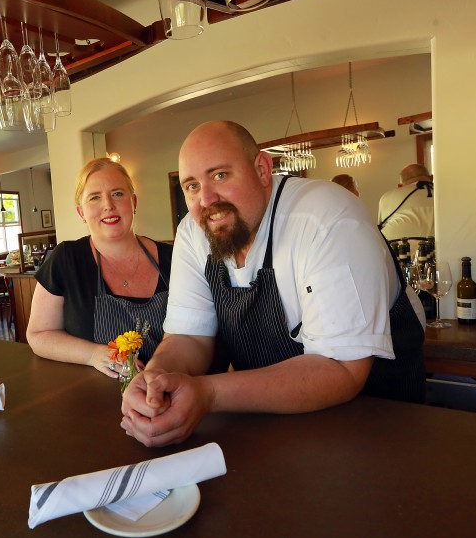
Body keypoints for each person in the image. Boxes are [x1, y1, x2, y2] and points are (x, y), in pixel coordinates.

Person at [120, 121, 425, 447]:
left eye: (220, 175)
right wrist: (155, 379)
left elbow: (343, 369)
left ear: (262, 170)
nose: (206, 199)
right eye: (192, 186)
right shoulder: (194, 234)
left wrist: (208, 393)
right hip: (273, 430)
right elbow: (188, 336)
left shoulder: (326, 218)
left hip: (379, 424)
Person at [27, 158, 172, 377]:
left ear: (134, 202)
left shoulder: (173, 257)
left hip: (169, 387)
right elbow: (38, 335)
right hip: (93, 393)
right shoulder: (66, 259)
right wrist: (93, 355)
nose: (108, 205)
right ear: (81, 213)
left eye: (118, 194)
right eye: (95, 197)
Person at [377, 163, 434, 257]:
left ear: (400, 186)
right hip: (441, 246)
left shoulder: (388, 196)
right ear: (431, 177)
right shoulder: (445, 192)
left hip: (398, 248)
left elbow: (381, 225)